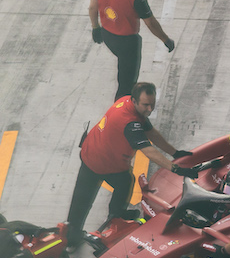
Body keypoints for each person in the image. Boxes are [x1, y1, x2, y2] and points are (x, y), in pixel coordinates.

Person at [64, 83, 196, 244]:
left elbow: (150, 132)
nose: (149, 109)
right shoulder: (129, 123)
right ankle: (103, 224)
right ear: (135, 101)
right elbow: (147, 150)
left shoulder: (127, 102)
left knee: (106, 189)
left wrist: (174, 152)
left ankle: (106, 220)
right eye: (146, 105)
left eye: (152, 104)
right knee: (102, 191)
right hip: (101, 162)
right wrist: (175, 168)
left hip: (91, 152)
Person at [89, 0, 176, 101]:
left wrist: (96, 28)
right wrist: (165, 39)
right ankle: (120, 118)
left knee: (124, 81)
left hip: (108, 35)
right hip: (127, 44)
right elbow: (150, 23)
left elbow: (92, 7)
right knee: (126, 86)